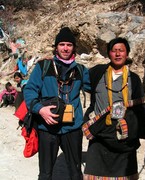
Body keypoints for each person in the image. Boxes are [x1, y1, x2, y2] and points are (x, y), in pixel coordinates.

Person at [23, 26, 91, 180]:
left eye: (69, 44)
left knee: (75, 172)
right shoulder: (43, 67)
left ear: (74, 48)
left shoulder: (81, 70)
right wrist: (40, 110)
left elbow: (96, 88)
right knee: (45, 173)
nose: (65, 48)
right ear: (56, 47)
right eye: (62, 44)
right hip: (47, 127)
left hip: (72, 127)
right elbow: (30, 91)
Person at [83, 37, 145, 179]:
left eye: (121, 50)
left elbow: (140, 109)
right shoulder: (97, 73)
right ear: (109, 54)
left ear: (127, 54)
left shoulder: (134, 79)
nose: (118, 54)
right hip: (100, 137)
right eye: (114, 51)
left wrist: (137, 130)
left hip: (124, 138)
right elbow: (76, 79)